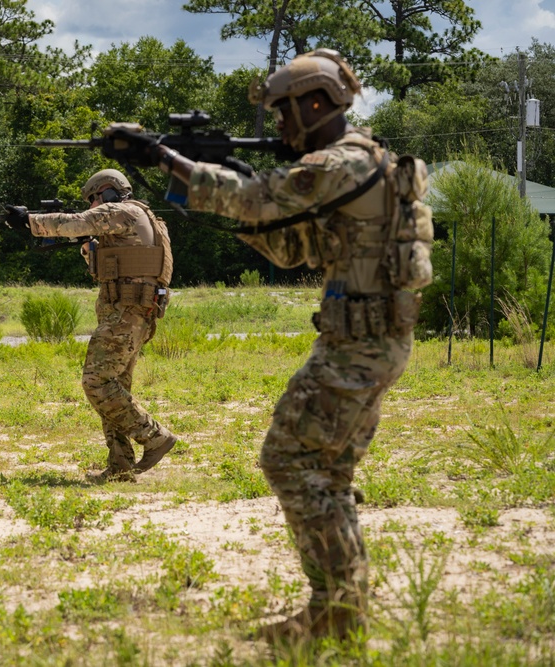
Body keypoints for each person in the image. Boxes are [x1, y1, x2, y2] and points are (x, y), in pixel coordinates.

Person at [108, 49, 430, 641]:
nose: (278, 125)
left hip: (358, 345)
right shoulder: (361, 166)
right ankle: (344, 608)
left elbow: (256, 200)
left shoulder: (346, 163)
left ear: (315, 103)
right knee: (325, 470)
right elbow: (292, 248)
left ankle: (336, 613)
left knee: (292, 459)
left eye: (283, 111)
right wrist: (215, 176)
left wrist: (164, 158)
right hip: (370, 339)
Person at [4, 170, 178, 483]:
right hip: (133, 312)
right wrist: (88, 245)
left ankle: (155, 437)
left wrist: (29, 220)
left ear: (109, 193)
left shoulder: (122, 211)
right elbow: (103, 265)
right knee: (113, 389)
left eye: (95, 199)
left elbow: (74, 222)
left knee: (96, 382)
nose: (94, 206)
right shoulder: (140, 219)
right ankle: (120, 467)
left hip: (125, 314)